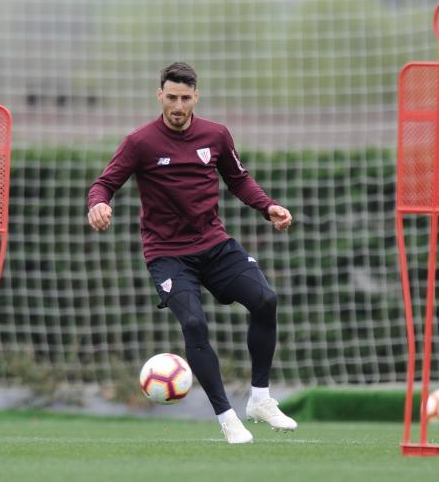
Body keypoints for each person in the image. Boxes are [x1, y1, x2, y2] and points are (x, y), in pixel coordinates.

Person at [87, 62, 297, 444]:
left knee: (266, 300)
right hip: (167, 255)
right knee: (195, 324)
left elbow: (239, 180)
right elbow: (104, 184)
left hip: (214, 246)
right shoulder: (140, 142)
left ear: (196, 97)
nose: (178, 106)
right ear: (160, 96)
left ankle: (261, 400)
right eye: (171, 97)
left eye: (185, 98)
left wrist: (267, 207)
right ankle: (227, 417)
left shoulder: (216, 135)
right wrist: (97, 205)